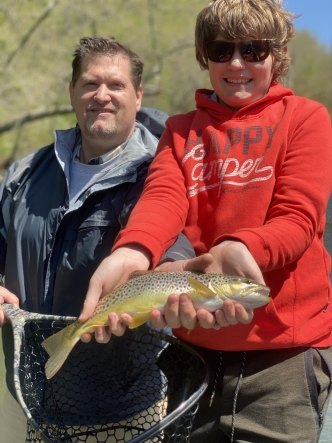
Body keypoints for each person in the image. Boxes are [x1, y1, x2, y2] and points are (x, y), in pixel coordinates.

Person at [80, 1, 332, 442]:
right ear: (204, 56)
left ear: (277, 55)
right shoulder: (180, 131)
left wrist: (241, 248)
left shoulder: (306, 119)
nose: (236, 63)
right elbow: (161, 201)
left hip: (283, 357)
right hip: (191, 352)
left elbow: (299, 218)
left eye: (253, 50)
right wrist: (131, 250)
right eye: (221, 50)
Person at [0, 36, 193, 442]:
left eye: (116, 85)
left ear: (138, 96)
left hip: (127, 409)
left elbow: (175, 251)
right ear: (71, 91)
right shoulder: (23, 174)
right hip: (27, 395)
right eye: (90, 84)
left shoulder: (164, 178)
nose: (101, 95)